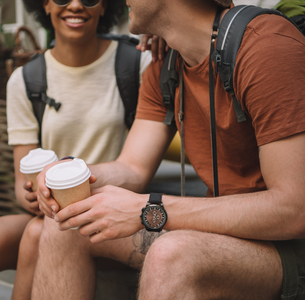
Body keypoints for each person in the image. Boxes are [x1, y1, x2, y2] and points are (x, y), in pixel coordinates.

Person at [32, 0, 305, 299]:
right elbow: (132, 168)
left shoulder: (266, 48)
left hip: (290, 248)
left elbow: (294, 209)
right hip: (228, 237)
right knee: (70, 225)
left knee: (170, 254)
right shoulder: (167, 64)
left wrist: (148, 208)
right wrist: (72, 172)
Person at [0, 0, 152, 299]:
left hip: (111, 207)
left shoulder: (136, 64)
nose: (75, 5)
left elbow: (139, 163)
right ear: (45, 5)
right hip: (51, 210)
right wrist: (32, 195)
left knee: (37, 233)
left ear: (105, 6)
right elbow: (21, 181)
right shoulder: (26, 80)